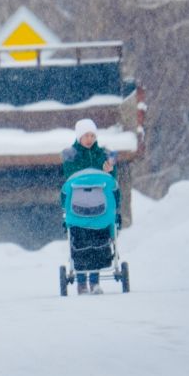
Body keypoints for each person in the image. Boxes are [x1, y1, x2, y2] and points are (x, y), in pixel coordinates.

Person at [61, 118, 119, 295]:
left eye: (93, 135)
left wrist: (110, 169)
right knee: (80, 246)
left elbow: (111, 181)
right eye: (86, 135)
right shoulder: (72, 155)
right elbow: (69, 176)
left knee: (97, 246)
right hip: (79, 208)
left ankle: (94, 282)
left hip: (99, 209)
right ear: (79, 136)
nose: (89, 139)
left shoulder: (102, 155)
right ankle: (81, 282)